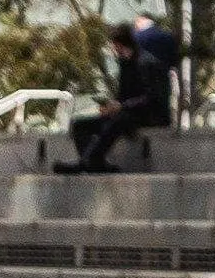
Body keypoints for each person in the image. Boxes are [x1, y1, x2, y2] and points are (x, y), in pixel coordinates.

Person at [66, 15, 180, 175]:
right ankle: (91, 162)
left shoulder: (147, 62)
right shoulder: (126, 63)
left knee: (119, 120)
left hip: (151, 115)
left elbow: (152, 97)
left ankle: (90, 160)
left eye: (114, 46)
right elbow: (124, 94)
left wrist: (122, 106)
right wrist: (112, 106)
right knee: (80, 126)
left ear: (119, 44)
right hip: (130, 112)